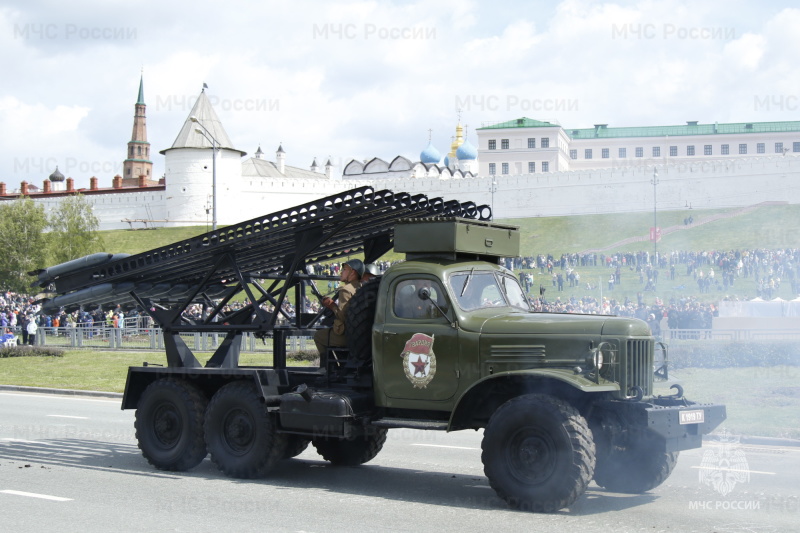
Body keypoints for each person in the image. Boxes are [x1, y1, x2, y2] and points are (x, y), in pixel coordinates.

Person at [313, 259, 364, 357]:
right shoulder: (361, 287)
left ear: (352, 272)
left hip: (348, 335)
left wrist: (331, 305)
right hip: (360, 335)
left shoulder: (346, 290)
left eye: (344, 269)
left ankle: (330, 367)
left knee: (318, 336)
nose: (341, 272)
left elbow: (342, 316)